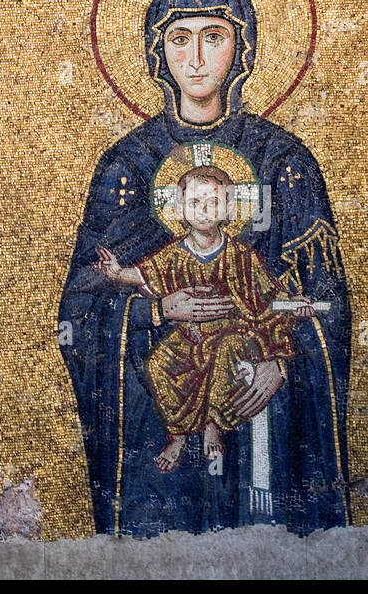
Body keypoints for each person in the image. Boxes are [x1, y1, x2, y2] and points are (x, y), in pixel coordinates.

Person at [60, 0, 351, 536]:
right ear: (156, 52)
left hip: (259, 397)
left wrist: (281, 361)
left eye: (213, 36)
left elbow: (326, 306)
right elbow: (79, 308)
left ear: (240, 47)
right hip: (154, 414)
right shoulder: (130, 165)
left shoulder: (281, 161)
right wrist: (156, 311)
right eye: (179, 38)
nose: (195, 58)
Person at [93, 164, 317, 472]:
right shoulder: (173, 254)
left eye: (213, 203)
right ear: (181, 210)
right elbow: (147, 274)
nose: (204, 211)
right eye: (195, 203)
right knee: (160, 364)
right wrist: (119, 273)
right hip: (190, 338)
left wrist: (293, 304)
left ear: (227, 210)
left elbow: (267, 294)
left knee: (227, 355)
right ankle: (178, 435)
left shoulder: (240, 255)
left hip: (232, 334)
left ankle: (214, 423)